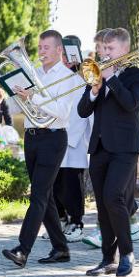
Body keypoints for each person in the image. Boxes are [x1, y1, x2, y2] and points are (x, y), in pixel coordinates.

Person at [2, 30, 79, 268]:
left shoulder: (69, 77)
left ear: (59, 50)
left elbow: (62, 112)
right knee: (44, 196)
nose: (41, 51)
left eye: (46, 47)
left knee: (37, 195)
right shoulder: (33, 74)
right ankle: (61, 248)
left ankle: (22, 249)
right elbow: (16, 110)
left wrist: (33, 97)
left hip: (53, 138)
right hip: (32, 137)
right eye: (39, 47)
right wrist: (15, 96)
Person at [78, 28, 139, 277]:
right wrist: (95, 89)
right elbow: (83, 110)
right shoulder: (97, 76)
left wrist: (112, 79)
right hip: (99, 147)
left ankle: (127, 253)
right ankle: (108, 259)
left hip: (125, 148)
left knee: (114, 197)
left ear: (124, 50)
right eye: (104, 49)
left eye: (110, 49)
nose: (105, 53)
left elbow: (131, 104)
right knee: (102, 204)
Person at [41, 34, 91, 243]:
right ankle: (60, 220)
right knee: (55, 184)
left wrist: (76, 139)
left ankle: (77, 223)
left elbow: (85, 112)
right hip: (54, 137)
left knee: (72, 185)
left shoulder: (85, 76)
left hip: (74, 142)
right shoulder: (56, 74)